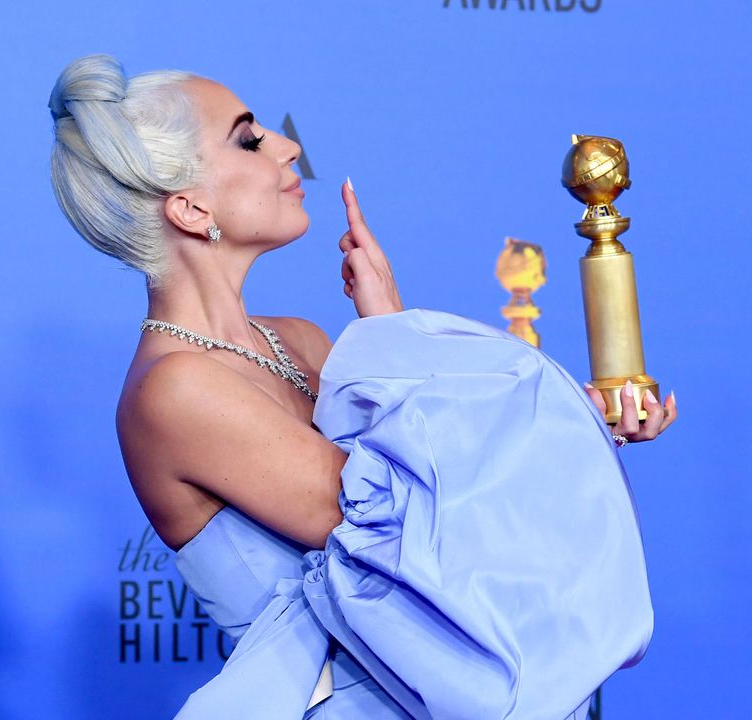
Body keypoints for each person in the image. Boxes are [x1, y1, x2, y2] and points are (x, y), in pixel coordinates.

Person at [48, 53, 677, 719]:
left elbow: (457, 504)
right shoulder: (174, 390)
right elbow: (419, 531)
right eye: (249, 137)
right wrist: (398, 337)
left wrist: (578, 418)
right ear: (189, 204)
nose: (288, 146)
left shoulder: (302, 341)